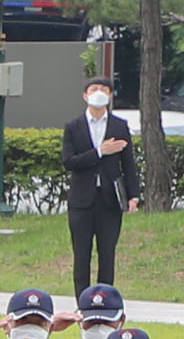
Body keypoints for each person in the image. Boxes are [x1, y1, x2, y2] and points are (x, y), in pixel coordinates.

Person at [60, 80, 141, 294]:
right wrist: (99, 151)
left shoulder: (119, 126)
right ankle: (83, 304)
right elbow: (69, 161)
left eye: (103, 90)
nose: (98, 93)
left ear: (111, 95)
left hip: (109, 200)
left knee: (107, 253)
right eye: (94, 89)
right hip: (81, 201)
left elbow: (128, 163)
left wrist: (133, 195)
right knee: (82, 254)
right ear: (85, 96)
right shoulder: (73, 127)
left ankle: (105, 302)